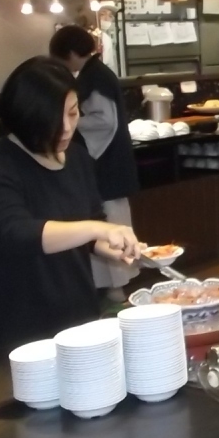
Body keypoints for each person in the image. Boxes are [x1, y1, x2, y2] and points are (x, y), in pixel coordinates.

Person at [0, 58, 143, 361]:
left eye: (73, 113)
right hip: (12, 330)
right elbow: (17, 233)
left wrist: (111, 247)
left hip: (75, 318)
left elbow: (90, 224)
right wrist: (97, 229)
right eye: (54, 118)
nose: (67, 127)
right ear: (25, 116)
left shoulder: (77, 158)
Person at [50, 25, 140, 300]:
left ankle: (115, 289)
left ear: (71, 53)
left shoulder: (96, 76)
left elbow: (104, 121)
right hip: (111, 162)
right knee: (109, 222)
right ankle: (112, 287)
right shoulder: (96, 73)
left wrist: (68, 125)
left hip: (106, 165)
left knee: (110, 222)